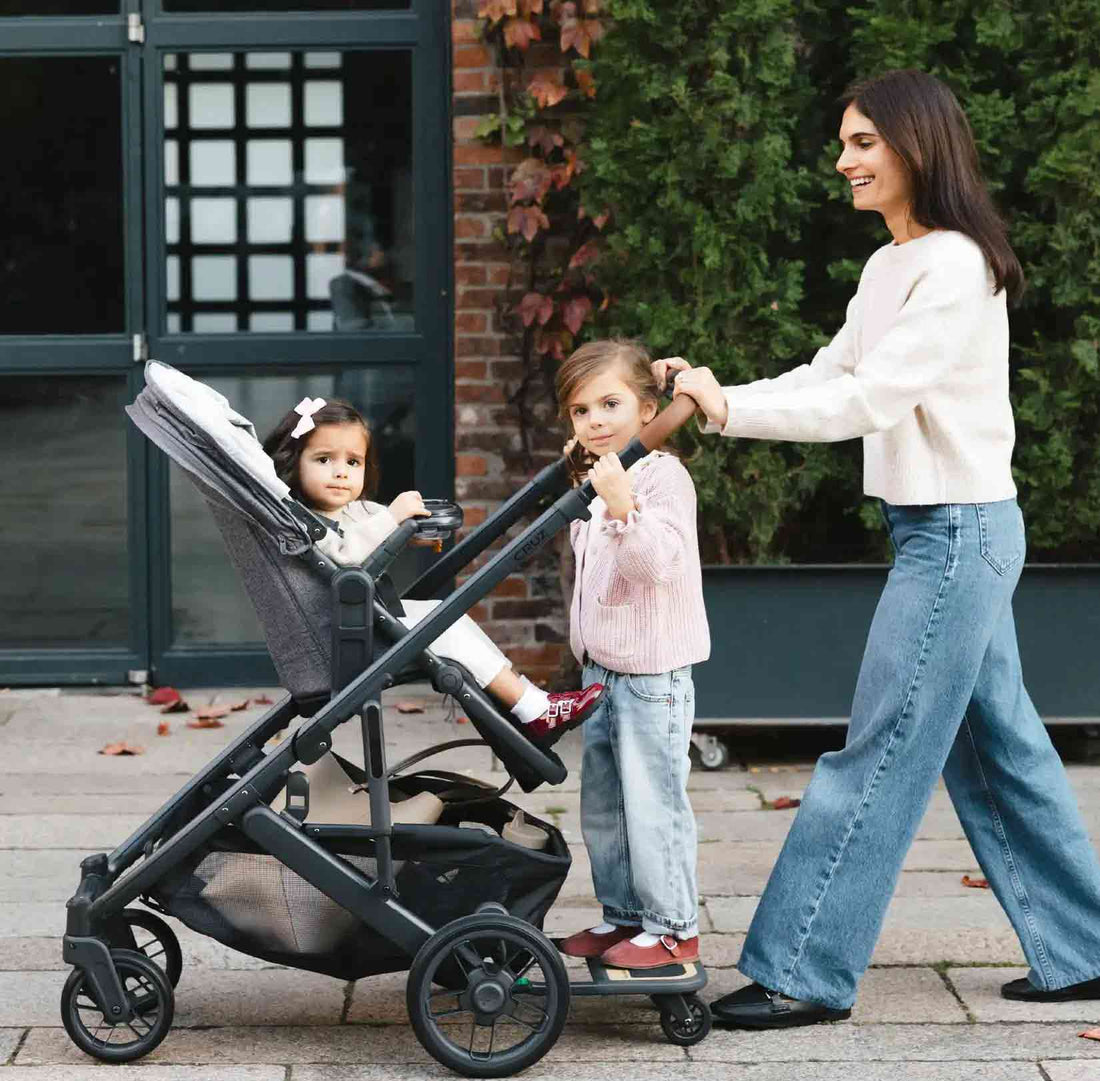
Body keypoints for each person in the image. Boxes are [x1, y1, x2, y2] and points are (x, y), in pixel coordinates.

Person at [654, 68, 1100, 1027]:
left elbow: (871, 399)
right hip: (938, 529)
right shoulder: (890, 265)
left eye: (863, 143)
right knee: (999, 747)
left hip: (958, 533)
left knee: (881, 749)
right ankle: (1082, 950)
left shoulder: (953, 264)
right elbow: (831, 370)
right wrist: (718, 392)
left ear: (915, 148)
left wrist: (724, 411)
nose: (845, 160)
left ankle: (804, 971)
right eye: (845, 143)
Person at [262, 397, 605, 745]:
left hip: (363, 623)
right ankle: (534, 709)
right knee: (445, 629)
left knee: (450, 617)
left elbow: (373, 530)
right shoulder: (303, 521)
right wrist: (393, 517)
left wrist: (407, 536)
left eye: (353, 461)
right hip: (346, 638)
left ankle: (522, 702)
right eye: (324, 460)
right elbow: (347, 552)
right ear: (295, 463)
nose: (341, 472)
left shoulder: (352, 509)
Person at [554, 338, 711, 969]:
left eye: (611, 403)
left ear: (648, 409)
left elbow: (658, 566)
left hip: (653, 676)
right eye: (581, 410)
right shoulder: (597, 474)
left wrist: (621, 506)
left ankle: (672, 926)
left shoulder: (662, 477)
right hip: (602, 670)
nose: (595, 421)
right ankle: (624, 916)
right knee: (606, 805)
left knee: (653, 803)